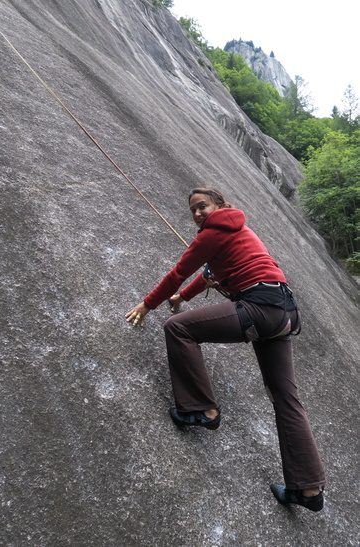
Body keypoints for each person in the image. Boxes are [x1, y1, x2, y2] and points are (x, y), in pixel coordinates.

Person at [126, 186, 325, 512]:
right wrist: (182, 299)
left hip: (260, 307)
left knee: (178, 328)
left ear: (219, 205)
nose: (197, 214)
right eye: (193, 210)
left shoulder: (212, 233)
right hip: (284, 312)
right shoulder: (240, 231)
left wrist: (147, 306)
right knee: (285, 397)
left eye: (202, 206)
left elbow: (179, 273)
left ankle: (202, 409)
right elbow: (207, 276)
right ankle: (308, 489)